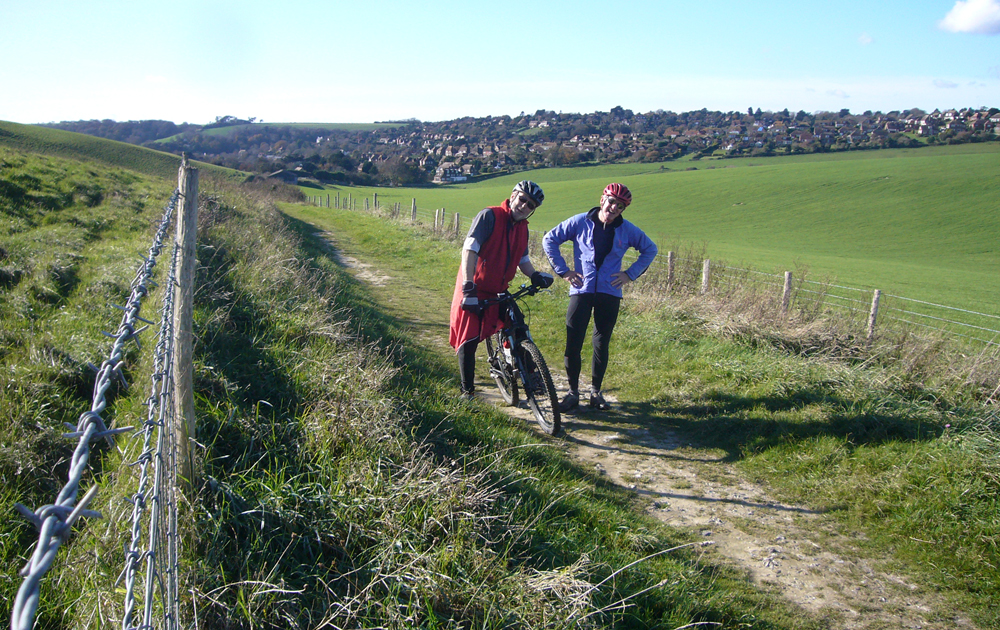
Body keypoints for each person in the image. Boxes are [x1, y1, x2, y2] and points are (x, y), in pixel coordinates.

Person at [542, 183, 657, 411]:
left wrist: (629, 274)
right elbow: (550, 240)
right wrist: (564, 271)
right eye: (612, 201)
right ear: (603, 199)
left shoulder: (628, 230)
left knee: (601, 343)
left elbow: (650, 249)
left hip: (610, 292)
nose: (614, 208)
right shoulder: (579, 221)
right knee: (573, 342)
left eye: (620, 206)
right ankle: (573, 393)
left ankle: (596, 393)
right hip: (581, 290)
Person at [449, 180, 554, 399]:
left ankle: (530, 376)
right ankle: (467, 391)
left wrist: (534, 275)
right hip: (473, 287)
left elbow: (523, 259)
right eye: (523, 199)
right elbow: (469, 250)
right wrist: (469, 288)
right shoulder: (490, 216)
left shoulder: (523, 228)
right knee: (468, 339)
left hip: (498, 288)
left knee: (518, 325)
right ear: (513, 195)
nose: (524, 206)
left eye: (531, 205)